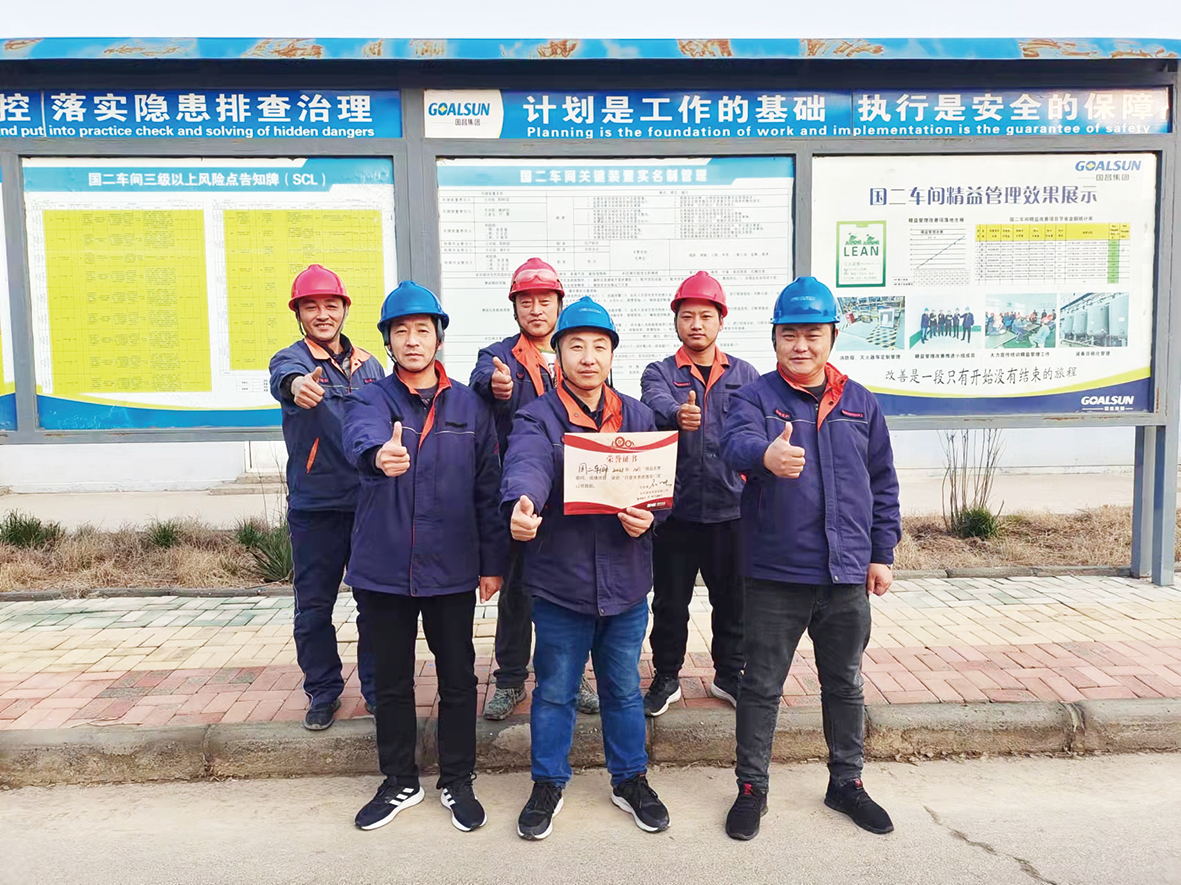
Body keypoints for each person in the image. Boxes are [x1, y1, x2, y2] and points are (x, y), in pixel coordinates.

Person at [719, 276, 901, 842]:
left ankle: (846, 782)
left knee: (844, 682)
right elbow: (732, 446)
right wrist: (764, 456)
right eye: (790, 334)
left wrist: (881, 553)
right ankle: (752, 788)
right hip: (776, 572)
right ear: (775, 338)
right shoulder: (755, 397)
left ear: (832, 337)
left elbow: (882, 483)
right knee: (761, 685)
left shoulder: (860, 402)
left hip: (846, 573)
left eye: (812, 334)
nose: (801, 345)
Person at [501, 296, 671, 840]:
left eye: (600, 346)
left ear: (612, 354)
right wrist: (522, 503)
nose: (589, 357)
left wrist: (650, 517)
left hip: (625, 584)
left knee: (623, 689)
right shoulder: (538, 416)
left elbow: (662, 490)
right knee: (554, 690)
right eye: (576, 346)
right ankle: (548, 782)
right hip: (561, 583)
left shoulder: (639, 417)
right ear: (559, 354)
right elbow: (526, 463)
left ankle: (630, 779)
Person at [344, 281, 506, 833]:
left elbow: (488, 487)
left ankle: (458, 779)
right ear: (388, 341)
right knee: (391, 680)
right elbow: (360, 437)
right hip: (384, 565)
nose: (412, 340)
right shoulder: (371, 398)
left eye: (422, 330)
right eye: (401, 331)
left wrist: (492, 562)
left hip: (451, 565)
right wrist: (378, 455)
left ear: (438, 337)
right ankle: (399, 780)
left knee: (458, 676)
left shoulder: (470, 406)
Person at [469, 257, 599, 722]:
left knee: (572, 590)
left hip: (575, 492)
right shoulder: (498, 355)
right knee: (517, 591)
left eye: (545, 300)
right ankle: (509, 679)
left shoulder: (577, 353)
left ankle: (573, 675)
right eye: (526, 301)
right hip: (521, 494)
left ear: (560, 305)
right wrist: (496, 385)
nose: (536, 309)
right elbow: (482, 382)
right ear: (515, 308)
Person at [268, 264, 383, 731]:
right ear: (298, 313)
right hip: (315, 507)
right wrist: (298, 387)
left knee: (375, 606)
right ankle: (323, 691)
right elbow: (285, 378)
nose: (322, 314)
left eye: (330, 305)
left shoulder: (370, 365)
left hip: (369, 503)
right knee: (314, 607)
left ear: (344, 309)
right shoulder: (291, 359)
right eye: (311, 306)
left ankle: (377, 690)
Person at [639, 272, 759, 717]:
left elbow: (756, 429)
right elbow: (653, 400)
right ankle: (667, 675)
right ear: (676, 321)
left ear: (721, 321)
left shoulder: (744, 374)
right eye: (687, 316)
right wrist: (676, 413)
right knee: (670, 602)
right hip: (675, 511)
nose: (696, 324)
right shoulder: (660, 372)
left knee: (733, 600)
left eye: (706, 316)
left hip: (732, 510)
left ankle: (729, 674)